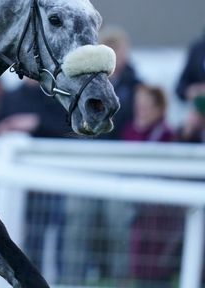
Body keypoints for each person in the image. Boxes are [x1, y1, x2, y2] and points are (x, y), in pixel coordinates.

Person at [59, 26, 140, 285]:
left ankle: (120, 282)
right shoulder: (82, 84)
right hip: (86, 165)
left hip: (119, 167)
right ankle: (71, 281)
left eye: (118, 48)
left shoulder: (137, 86)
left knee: (118, 229)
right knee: (77, 226)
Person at [0, 78, 74, 277]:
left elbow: (67, 126)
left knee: (55, 235)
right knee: (23, 235)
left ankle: (58, 278)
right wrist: (4, 128)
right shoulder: (11, 97)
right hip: (17, 185)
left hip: (51, 181)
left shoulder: (56, 95)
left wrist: (35, 122)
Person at [122, 85, 182, 288]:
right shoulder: (130, 129)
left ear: (158, 108)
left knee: (156, 266)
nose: (141, 111)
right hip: (137, 210)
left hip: (160, 214)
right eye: (139, 106)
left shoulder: (166, 134)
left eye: (146, 106)